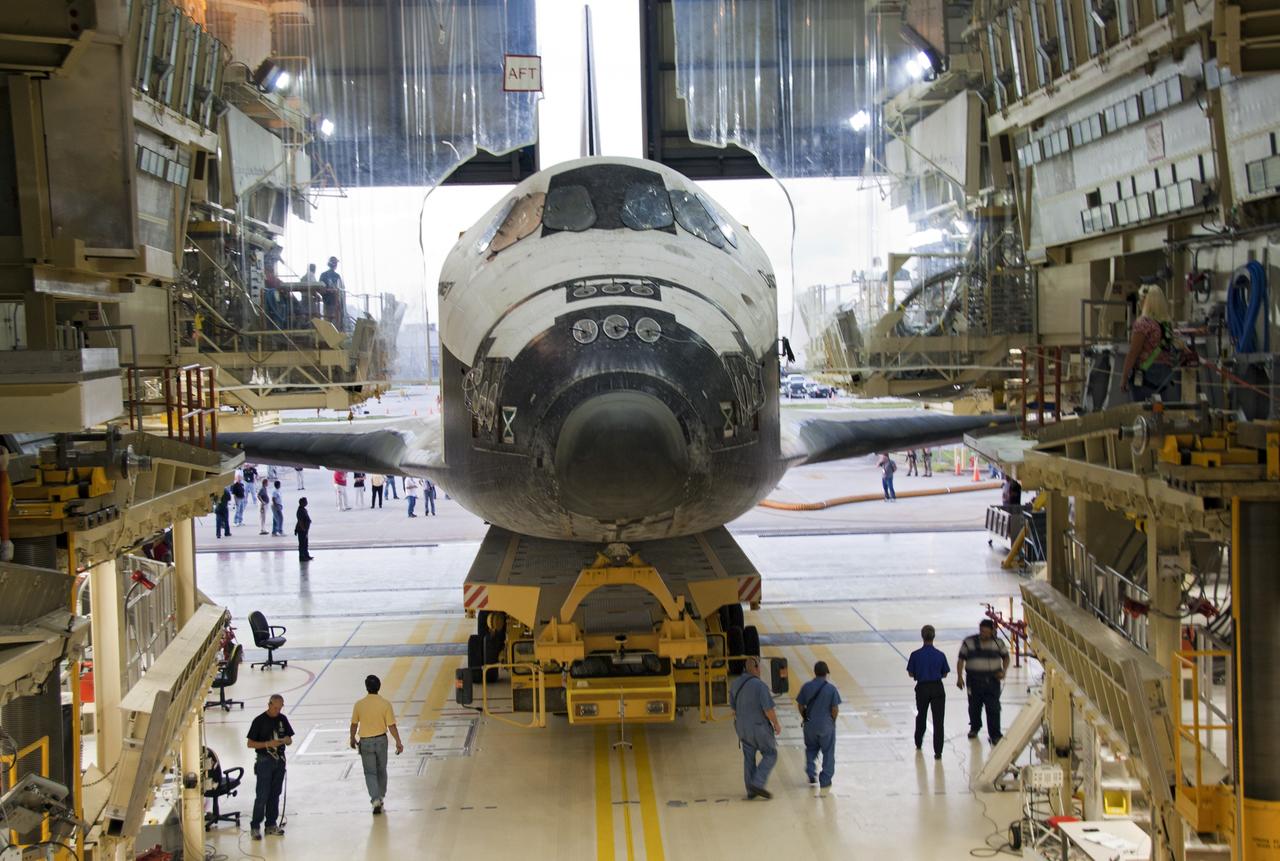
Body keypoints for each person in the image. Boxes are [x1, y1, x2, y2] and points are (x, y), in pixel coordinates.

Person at [1120, 285, 1192, 402]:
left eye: (1141, 299)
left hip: (1145, 376)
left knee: (1142, 414)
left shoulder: (1143, 324)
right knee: (1160, 414)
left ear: (1146, 301)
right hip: (1164, 377)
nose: (1139, 302)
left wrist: (1124, 377)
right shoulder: (1166, 325)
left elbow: (1133, 352)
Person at [349, 675, 404, 815]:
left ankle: (375, 799)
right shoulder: (385, 704)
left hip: (365, 741)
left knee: (370, 772)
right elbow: (391, 725)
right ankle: (381, 795)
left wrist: (352, 738)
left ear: (366, 687)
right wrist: (398, 741)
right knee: (381, 769)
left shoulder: (359, 704)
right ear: (379, 687)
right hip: (381, 740)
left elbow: (354, 724)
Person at [729, 656, 781, 799]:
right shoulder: (760, 686)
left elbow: (733, 709)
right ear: (756, 668)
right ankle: (757, 783)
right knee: (771, 754)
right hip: (759, 727)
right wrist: (776, 724)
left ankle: (751, 791)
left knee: (749, 758)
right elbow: (768, 709)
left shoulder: (735, 685)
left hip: (742, 728)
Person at [246, 694, 294, 840]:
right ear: (269, 705)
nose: (277, 711)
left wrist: (286, 740)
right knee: (262, 795)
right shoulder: (259, 721)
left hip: (279, 762)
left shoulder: (282, 719)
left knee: (275, 794)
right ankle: (255, 826)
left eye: (280, 708)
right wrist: (268, 744)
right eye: (275, 708)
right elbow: (250, 743)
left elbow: (290, 739)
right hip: (264, 762)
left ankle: (271, 824)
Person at [957, 619, 1010, 743]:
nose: (983, 634)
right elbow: (961, 660)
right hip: (973, 681)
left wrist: (1004, 671)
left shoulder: (999, 643)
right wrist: (959, 677)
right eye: (981, 631)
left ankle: (995, 735)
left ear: (992, 631)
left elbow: (1006, 657)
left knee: (993, 708)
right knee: (974, 707)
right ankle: (974, 728)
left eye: (986, 632)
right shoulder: (969, 642)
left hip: (992, 682)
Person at [796, 661, 841, 793]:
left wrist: (805, 716)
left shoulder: (806, 687)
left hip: (810, 725)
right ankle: (825, 780)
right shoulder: (831, 689)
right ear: (826, 673)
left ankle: (811, 772)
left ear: (814, 672)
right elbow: (835, 708)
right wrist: (832, 721)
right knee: (828, 752)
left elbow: (800, 704)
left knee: (810, 749)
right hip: (826, 725)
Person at [907, 625, 950, 760]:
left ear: (922, 636)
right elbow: (945, 673)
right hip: (937, 687)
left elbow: (910, 673)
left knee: (922, 715)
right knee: (938, 721)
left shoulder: (915, 655)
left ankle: (918, 741)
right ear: (934, 636)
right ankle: (938, 751)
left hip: (922, 687)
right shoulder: (940, 655)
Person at [295, 498, 313, 562]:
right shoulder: (300, 511)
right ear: (302, 503)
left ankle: (306, 555)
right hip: (302, 530)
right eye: (305, 502)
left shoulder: (303, 509)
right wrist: (303, 529)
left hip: (305, 530)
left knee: (305, 543)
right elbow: (300, 521)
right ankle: (302, 556)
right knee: (302, 544)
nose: (306, 503)